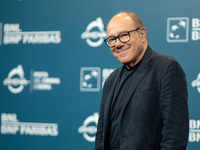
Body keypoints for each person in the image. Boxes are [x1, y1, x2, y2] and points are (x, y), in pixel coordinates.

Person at [94, 10, 189, 150]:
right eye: (112, 39)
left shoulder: (166, 68)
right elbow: (101, 136)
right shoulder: (111, 80)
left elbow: (175, 135)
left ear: (142, 34)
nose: (118, 44)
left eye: (124, 35)